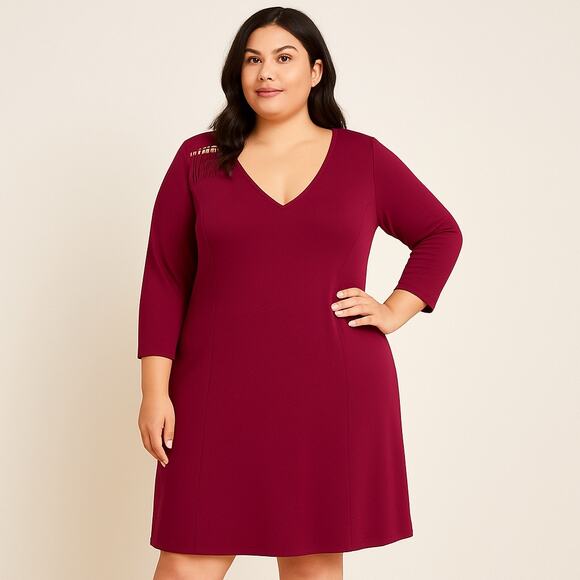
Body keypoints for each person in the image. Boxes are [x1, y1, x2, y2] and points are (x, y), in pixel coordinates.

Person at [137, 7, 463, 580]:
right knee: (188, 560)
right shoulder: (198, 158)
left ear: (315, 72)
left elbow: (440, 233)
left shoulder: (363, 157)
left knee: (312, 561)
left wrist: (395, 309)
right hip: (215, 388)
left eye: (283, 58)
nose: (266, 72)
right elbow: (165, 277)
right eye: (253, 59)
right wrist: (154, 392)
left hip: (332, 388)